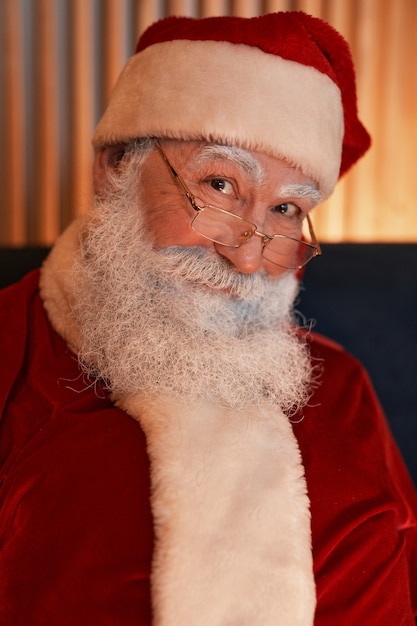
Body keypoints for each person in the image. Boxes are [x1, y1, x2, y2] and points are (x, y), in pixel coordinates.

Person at [0, 11, 416, 626]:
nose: (249, 256)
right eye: (219, 185)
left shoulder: (342, 387)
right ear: (115, 168)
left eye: (284, 209)